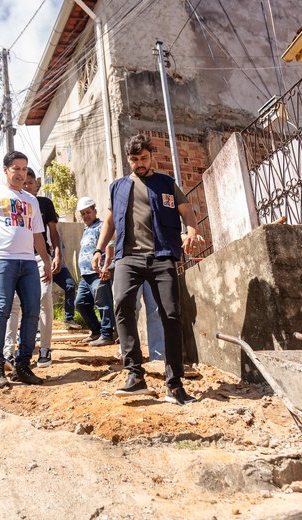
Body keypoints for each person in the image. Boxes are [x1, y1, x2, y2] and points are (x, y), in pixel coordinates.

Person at [92, 134, 203, 405]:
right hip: (127, 258)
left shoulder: (166, 183)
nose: (139, 164)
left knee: (172, 314)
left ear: (151, 156)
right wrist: (98, 249)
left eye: (143, 158)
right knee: (122, 304)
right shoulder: (118, 187)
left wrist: (191, 231)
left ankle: (174, 385)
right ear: (128, 159)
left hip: (162, 256)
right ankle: (135, 375)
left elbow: (187, 211)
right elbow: (109, 222)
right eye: (134, 160)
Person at [0, 151, 52, 388]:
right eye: (16, 168)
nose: (21, 173)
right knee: (2, 309)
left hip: (28, 262)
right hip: (2, 260)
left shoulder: (31, 200)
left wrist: (46, 261)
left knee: (32, 310)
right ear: (5, 170)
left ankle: (23, 365)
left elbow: (38, 234)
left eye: (24, 169)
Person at [3, 168, 62, 368]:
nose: (27, 186)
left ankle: (45, 348)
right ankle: (8, 352)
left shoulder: (44, 203)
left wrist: (56, 254)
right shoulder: (13, 201)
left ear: (37, 183)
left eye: (31, 182)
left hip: (39, 257)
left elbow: (53, 232)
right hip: (17, 257)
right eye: (24, 183)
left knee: (44, 298)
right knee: (14, 303)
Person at [75, 196, 116, 346]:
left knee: (103, 304)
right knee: (80, 303)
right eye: (83, 213)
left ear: (95, 211)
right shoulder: (87, 229)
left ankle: (107, 335)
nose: (86, 215)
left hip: (98, 273)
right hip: (85, 275)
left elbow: (109, 244)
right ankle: (96, 331)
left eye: (88, 212)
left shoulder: (101, 226)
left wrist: (106, 266)